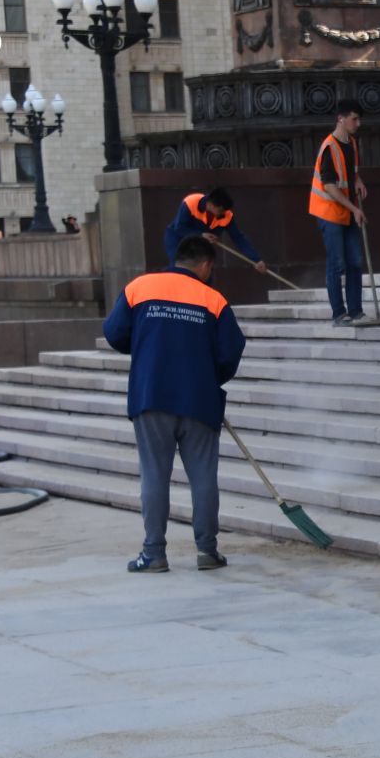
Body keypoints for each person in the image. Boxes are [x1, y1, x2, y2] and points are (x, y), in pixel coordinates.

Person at [103, 236, 246, 574]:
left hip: (151, 396)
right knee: (203, 477)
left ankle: (154, 554)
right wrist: (212, 377)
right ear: (206, 265)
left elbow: (113, 332)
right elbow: (231, 350)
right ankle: (207, 552)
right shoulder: (213, 299)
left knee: (154, 474)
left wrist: (145, 346)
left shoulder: (140, 287)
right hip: (200, 398)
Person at [309, 99, 370, 326]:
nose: (358, 123)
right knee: (337, 263)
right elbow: (330, 185)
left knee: (355, 261)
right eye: (354, 119)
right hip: (329, 212)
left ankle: (355, 310)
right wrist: (354, 208)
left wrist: (358, 180)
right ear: (340, 119)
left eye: (358, 118)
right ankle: (339, 313)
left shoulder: (351, 143)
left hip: (346, 212)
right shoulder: (329, 147)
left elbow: (350, 171)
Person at [164, 187, 266, 274]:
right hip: (177, 238)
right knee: (179, 267)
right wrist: (201, 235)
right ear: (211, 205)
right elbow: (180, 228)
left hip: (200, 243)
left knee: (206, 270)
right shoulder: (191, 202)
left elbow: (239, 238)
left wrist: (256, 260)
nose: (222, 214)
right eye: (220, 210)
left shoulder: (226, 215)